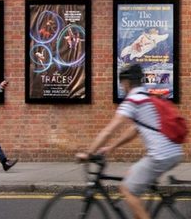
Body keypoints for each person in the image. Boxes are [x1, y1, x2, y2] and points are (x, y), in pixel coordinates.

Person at [77, 64, 184, 219]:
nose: (122, 86)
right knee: (130, 175)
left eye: (122, 83)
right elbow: (134, 131)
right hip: (173, 152)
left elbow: (109, 130)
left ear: (126, 83)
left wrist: (88, 153)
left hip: (160, 156)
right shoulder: (147, 99)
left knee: (126, 189)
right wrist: (111, 148)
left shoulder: (133, 101)